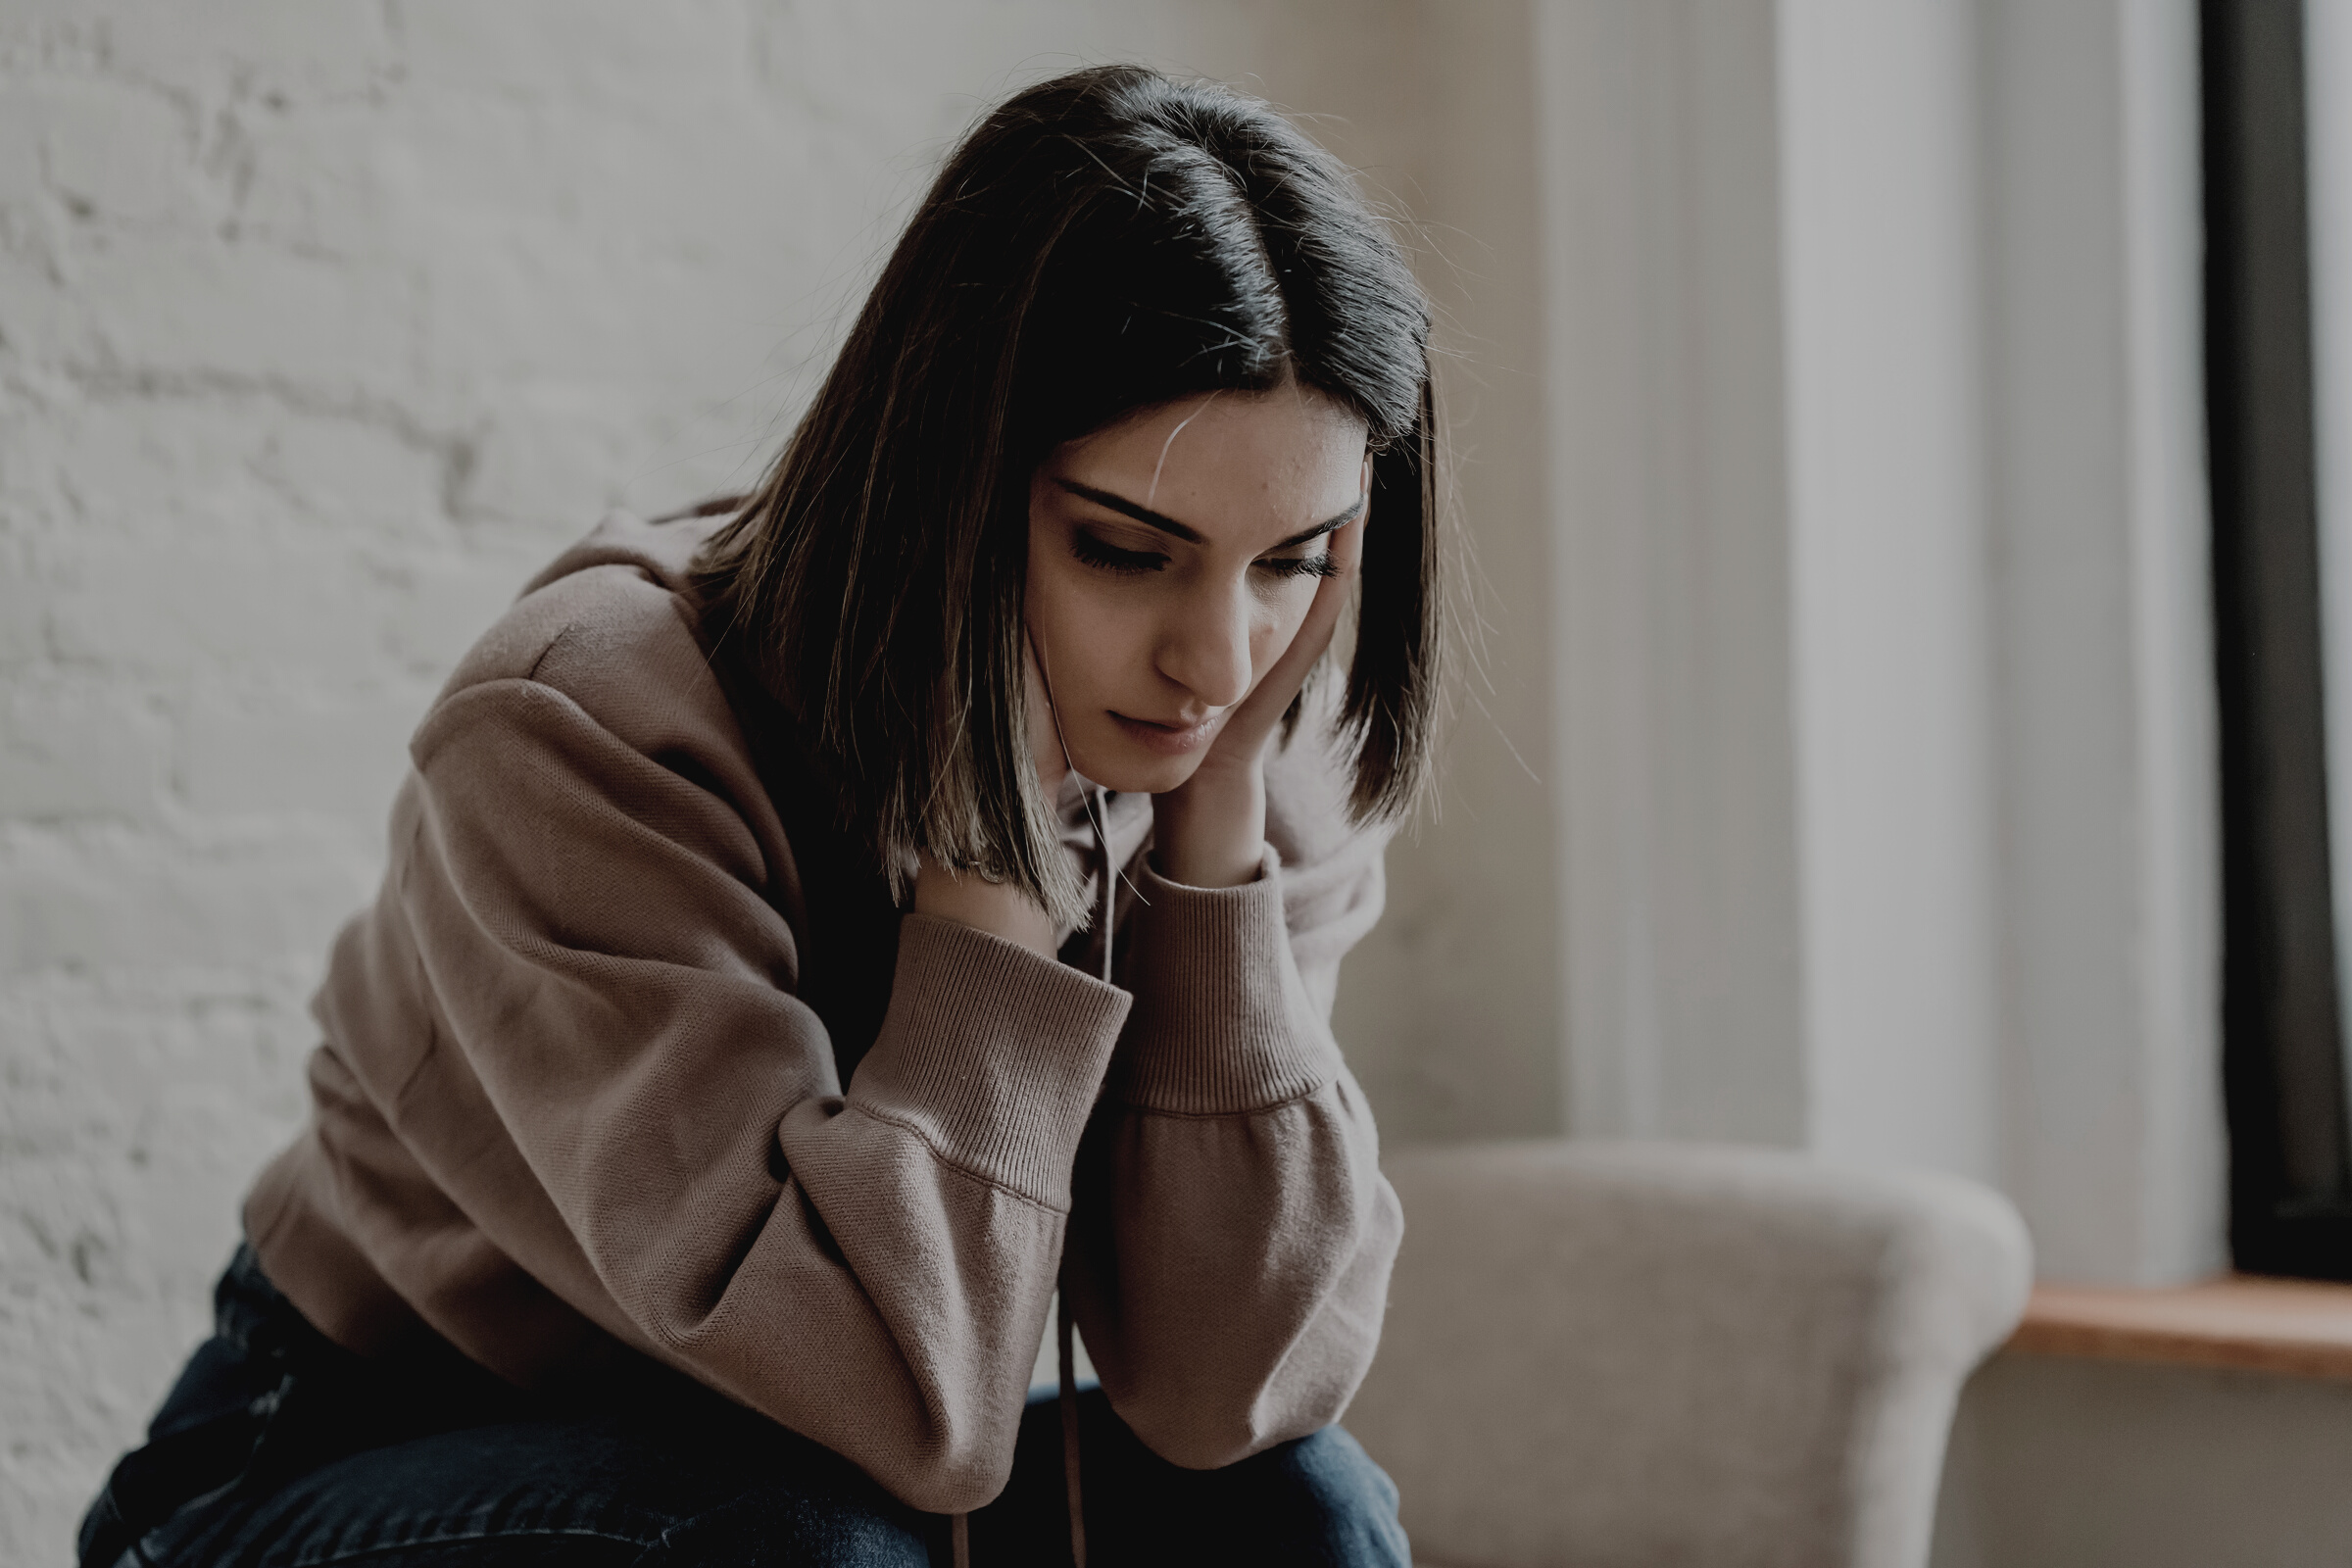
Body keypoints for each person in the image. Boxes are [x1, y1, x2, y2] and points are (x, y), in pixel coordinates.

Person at [79, 63, 1442, 1568]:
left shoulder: (1239, 760)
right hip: (330, 1457)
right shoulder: (589, 732)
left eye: (1294, 560)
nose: (1221, 658)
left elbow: (1225, 1396)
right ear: (950, 479)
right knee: (799, 1538)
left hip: (830, 1476)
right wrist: (987, 881)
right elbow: (901, 1411)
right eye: (1128, 550)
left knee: (1297, 1513)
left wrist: (1221, 859)